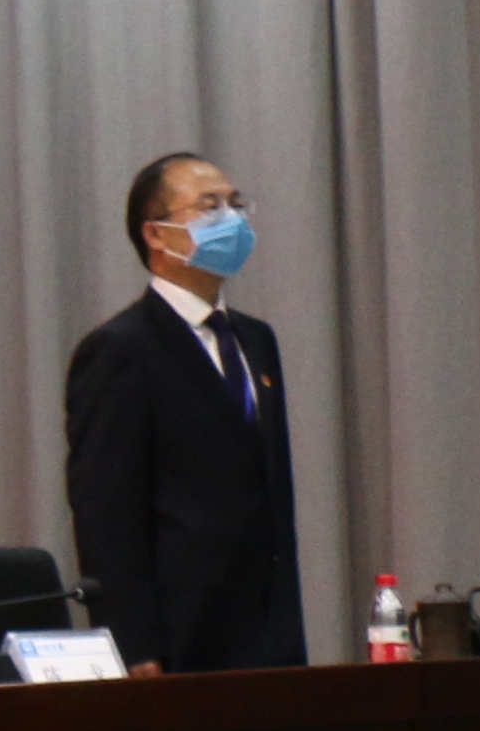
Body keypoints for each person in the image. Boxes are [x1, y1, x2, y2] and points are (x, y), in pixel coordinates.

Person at [65, 149, 306, 674]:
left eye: (236, 204)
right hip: (182, 636)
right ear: (156, 234)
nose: (231, 219)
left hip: (270, 635)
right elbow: (106, 512)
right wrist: (133, 645)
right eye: (210, 206)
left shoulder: (255, 340)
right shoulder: (121, 349)